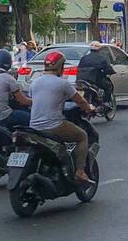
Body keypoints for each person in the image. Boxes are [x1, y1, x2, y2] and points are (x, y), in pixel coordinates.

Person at [28, 50, 93, 184]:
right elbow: (80, 101)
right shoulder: (62, 84)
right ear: (60, 67)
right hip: (53, 126)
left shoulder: (35, 83)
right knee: (82, 136)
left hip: (33, 127)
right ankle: (80, 171)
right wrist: (90, 108)